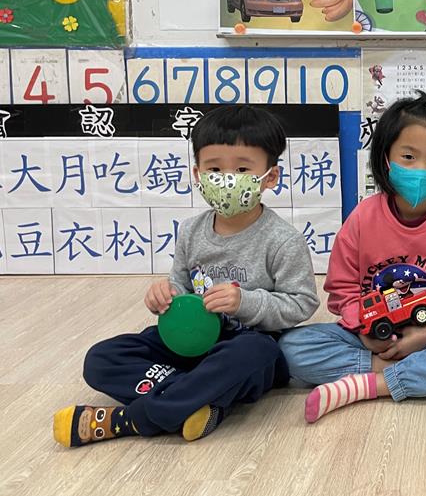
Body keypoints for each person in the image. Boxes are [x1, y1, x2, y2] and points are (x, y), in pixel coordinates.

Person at [53, 106, 318, 447]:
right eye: (214, 169)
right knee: (101, 358)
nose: (226, 178)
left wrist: (245, 301)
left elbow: (302, 303)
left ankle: (131, 419)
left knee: (258, 353)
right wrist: (166, 296)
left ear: (269, 177)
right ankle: (195, 399)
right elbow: (180, 282)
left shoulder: (283, 239)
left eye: (241, 169)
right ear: (197, 173)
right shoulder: (191, 231)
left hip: (245, 346)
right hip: (189, 342)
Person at [279, 89, 426, 422]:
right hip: (373, 337)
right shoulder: (363, 216)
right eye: (408, 157)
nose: (421, 169)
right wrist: (365, 333)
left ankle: (371, 385)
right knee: (290, 347)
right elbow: (342, 288)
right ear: (386, 157)